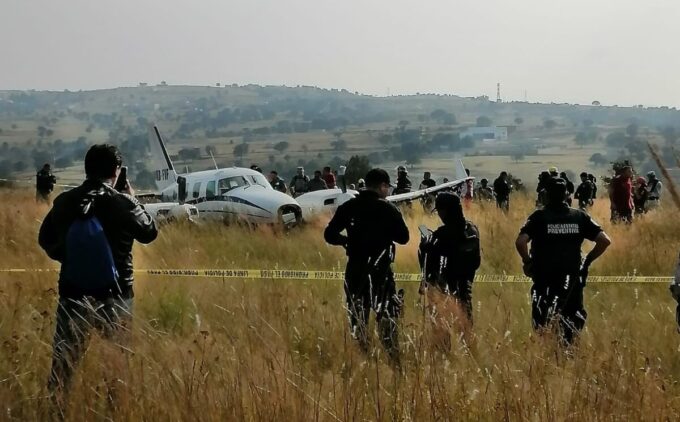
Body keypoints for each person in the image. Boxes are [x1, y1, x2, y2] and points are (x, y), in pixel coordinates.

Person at [38, 144, 158, 401]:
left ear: (86, 169)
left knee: (63, 368)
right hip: (117, 296)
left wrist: (71, 256)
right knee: (116, 369)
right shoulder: (121, 203)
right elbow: (149, 233)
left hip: (73, 294)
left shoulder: (65, 201)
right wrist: (133, 198)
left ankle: (55, 414)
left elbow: (46, 239)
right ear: (116, 171)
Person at [324, 168, 409, 365]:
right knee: (387, 318)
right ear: (382, 186)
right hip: (381, 271)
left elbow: (329, 235)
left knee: (358, 317)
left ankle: (363, 359)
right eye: (387, 187)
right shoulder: (387, 209)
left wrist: (346, 241)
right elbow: (403, 238)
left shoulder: (348, 207)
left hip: (355, 269)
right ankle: (393, 361)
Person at [515, 177, 611, 345]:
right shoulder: (579, 216)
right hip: (572, 280)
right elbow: (604, 240)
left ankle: (547, 356)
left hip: (544, 278)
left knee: (543, 322)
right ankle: (568, 354)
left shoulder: (539, 217)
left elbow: (521, 241)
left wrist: (527, 262)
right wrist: (586, 261)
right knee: (571, 324)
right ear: (567, 195)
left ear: (546, 195)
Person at [418, 193, 480, 348]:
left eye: (439, 211)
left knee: (441, 332)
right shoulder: (473, 230)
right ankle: (468, 361)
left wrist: (425, 243)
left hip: (442, 291)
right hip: (465, 287)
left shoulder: (441, 235)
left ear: (444, 211)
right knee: (466, 330)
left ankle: (444, 361)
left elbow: (428, 262)